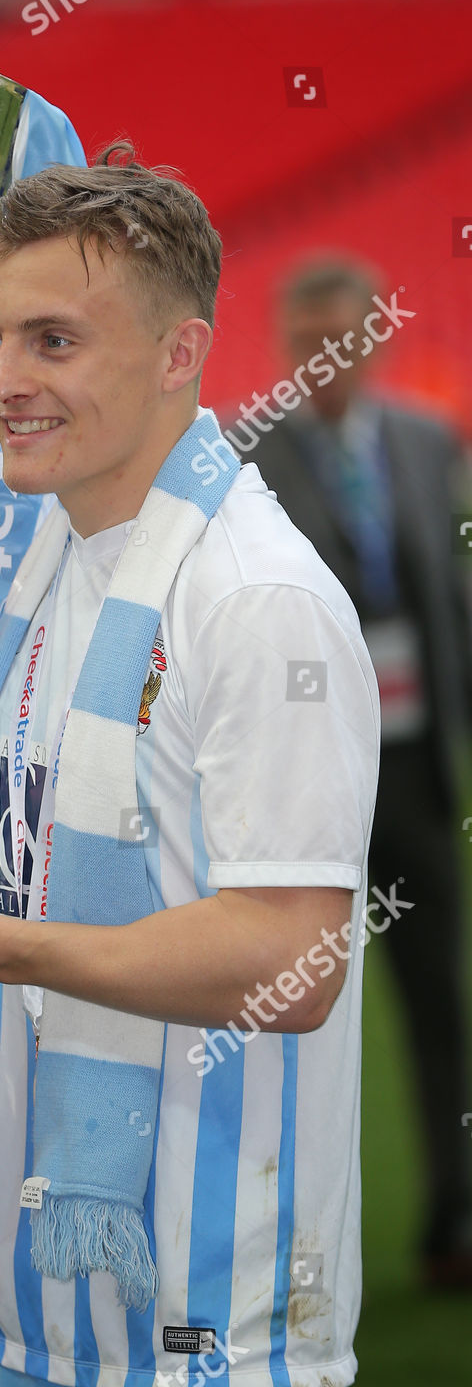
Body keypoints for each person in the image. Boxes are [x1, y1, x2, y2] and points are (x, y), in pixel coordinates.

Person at [0, 147, 381, 1387]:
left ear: (179, 354)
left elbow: (295, 959)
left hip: (206, 1337)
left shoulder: (254, 599)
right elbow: (5, 839)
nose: (2, 381)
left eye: (54, 340)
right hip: (25, 1301)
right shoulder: (49, 553)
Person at [244, 256, 472, 1289]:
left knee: (441, 1002)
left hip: (414, 764)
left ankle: (455, 1221)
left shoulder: (425, 443)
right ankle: (284, 1246)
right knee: (286, 1015)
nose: (325, 365)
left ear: (373, 339)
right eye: (307, 345)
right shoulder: (248, 453)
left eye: (343, 341)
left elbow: (447, 600)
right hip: (305, 778)